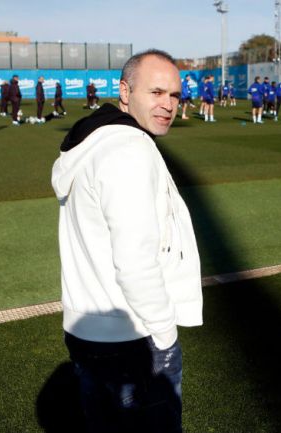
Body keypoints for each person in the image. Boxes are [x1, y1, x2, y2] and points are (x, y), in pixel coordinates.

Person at [51, 48, 202, 433]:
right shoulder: (129, 150)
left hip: (87, 332)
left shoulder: (96, 141)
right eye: (156, 93)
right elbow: (135, 261)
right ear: (125, 90)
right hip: (131, 338)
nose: (168, 105)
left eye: (174, 96)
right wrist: (165, 336)